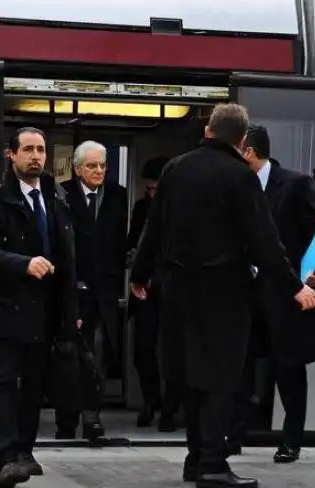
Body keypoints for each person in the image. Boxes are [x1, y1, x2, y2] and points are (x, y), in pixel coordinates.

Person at [130, 103, 315, 488]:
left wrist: (140, 274)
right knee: (221, 378)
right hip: (225, 293)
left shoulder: (175, 169)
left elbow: (153, 228)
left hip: (178, 290)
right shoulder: (240, 176)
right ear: (241, 140)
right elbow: (265, 243)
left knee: (188, 375)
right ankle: (213, 465)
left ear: (208, 132)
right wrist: (295, 287)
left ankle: (194, 459)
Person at [0, 127, 80, 488]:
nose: (36, 156)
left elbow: (69, 257)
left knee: (34, 385)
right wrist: (23, 263)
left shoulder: (56, 197)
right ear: (11, 155)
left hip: (45, 309)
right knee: (4, 383)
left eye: (41, 150)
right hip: (7, 308)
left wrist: (71, 308)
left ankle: (24, 451)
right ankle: (4, 459)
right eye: (28, 149)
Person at [227, 124, 315, 463]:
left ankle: (291, 439)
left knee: (287, 368)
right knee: (240, 367)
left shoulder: (294, 183)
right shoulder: (236, 187)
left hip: (284, 296)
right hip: (246, 296)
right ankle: (233, 436)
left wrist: (313, 276)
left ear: (248, 152)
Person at [56, 140, 128, 440]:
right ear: (77, 168)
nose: (99, 171)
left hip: (105, 292)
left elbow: (119, 243)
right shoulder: (62, 194)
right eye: (92, 166)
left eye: (102, 166)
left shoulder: (118, 196)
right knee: (69, 356)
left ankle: (91, 417)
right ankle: (66, 420)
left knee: (96, 353)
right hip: (72, 289)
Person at [128, 156, 183, 431]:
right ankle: (152, 399)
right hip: (147, 288)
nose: (151, 194)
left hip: (174, 288)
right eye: (148, 190)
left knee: (174, 350)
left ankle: (170, 408)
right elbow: (135, 242)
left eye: (155, 189)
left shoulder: (184, 210)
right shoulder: (142, 209)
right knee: (143, 348)